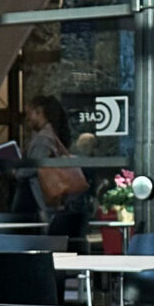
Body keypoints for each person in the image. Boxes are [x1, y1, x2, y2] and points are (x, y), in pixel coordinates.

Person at [24, 97, 94, 242]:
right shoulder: (53, 135)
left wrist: (14, 171)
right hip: (53, 200)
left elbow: (33, 167)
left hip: (42, 199)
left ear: (39, 112)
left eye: (29, 114)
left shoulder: (43, 139)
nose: (27, 119)